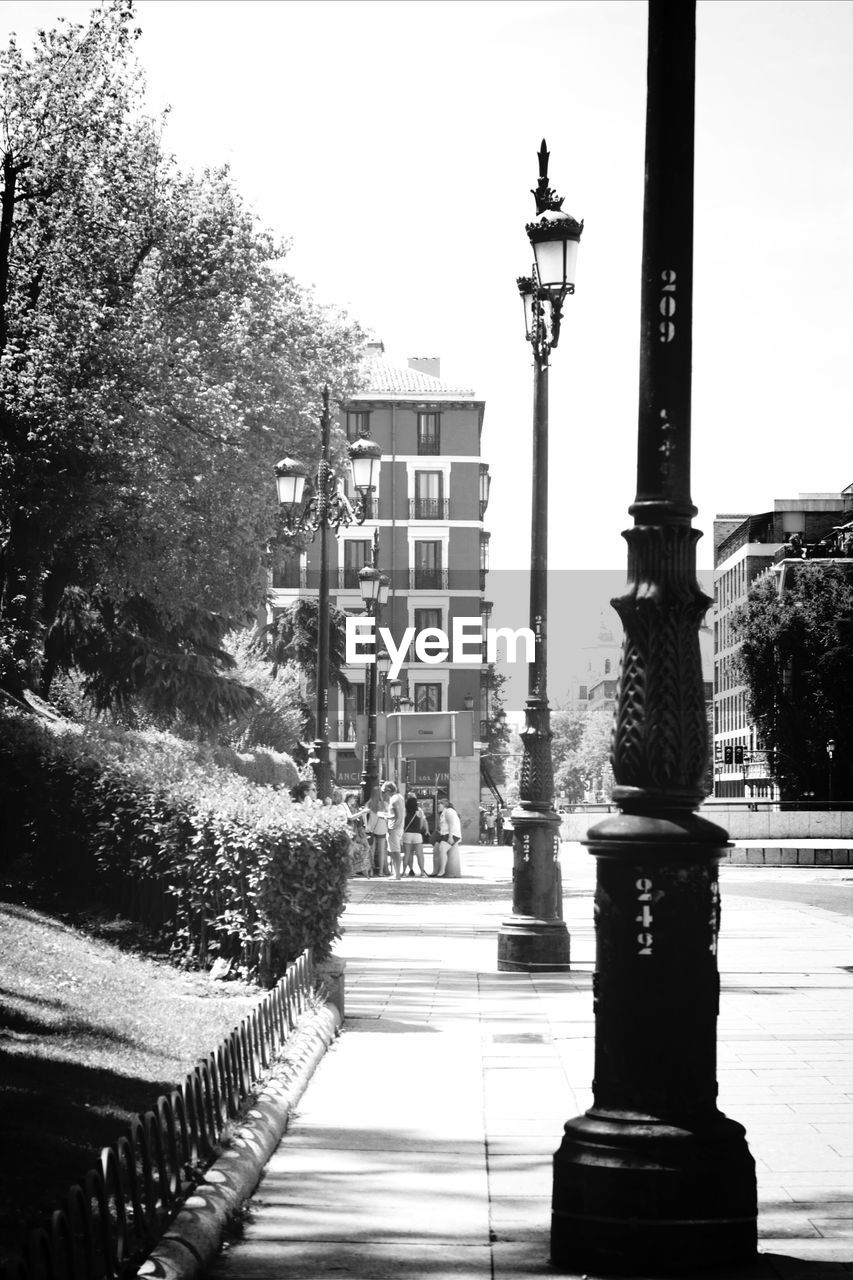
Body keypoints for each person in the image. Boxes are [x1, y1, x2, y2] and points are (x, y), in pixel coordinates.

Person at [401, 790, 430, 877]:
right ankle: (422, 872)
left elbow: (402, 823)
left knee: (407, 853)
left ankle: (404, 872)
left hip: (407, 834)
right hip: (417, 834)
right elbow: (421, 824)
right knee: (419, 854)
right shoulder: (419, 811)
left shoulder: (404, 811)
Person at [431, 797, 461, 877]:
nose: (438, 806)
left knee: (442, 849)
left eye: (439, 805)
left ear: (444, 805)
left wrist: (450, 837)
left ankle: (442, 870)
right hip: (443, 833)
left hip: (452, 833)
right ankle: (435, 871)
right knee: (435, 849)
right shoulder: (443, 813)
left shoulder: (449, 811)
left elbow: (451, 824)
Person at [382, 781, 406, 880]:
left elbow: (398, 816)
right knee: (394, 851)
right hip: (399, 828)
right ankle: (397, 874)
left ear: (388, 791)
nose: (383, 794)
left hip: (394, 828)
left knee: (395, 852)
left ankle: (397, 874)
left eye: (384, 792)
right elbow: (400, 815)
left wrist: (391, 827)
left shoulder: (394, 799)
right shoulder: (399, 797)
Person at [364, 785, 390, 876]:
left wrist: (366, 824)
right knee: (381, 851)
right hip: (381, 829)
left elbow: (364, 814)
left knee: (372, 850)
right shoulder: (384, 804)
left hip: (371, 829)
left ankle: (371, 871)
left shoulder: (369, 804)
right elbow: (388, 816)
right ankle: (381, 871)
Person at [344, 791, 371, 876]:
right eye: (353, 798)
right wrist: (362, 812)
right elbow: (351, 818)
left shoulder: (353, 807)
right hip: (353, 832)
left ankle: (360, 868)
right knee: (353, 850)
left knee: (365, 847)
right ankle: (355, 870)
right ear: (348, 798)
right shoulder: (346, 807)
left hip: (358, 831)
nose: (354, 799)